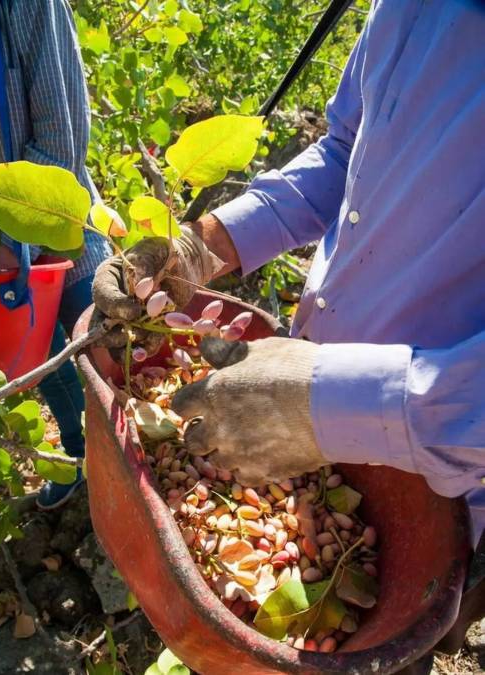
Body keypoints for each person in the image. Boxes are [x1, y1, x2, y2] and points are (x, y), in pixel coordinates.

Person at [93, 1, 484, 670]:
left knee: (370, 634)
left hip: (439, 489)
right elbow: (345, 154)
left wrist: (322, 404)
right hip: (299, 404)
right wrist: (202, 246)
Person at [0, 0, 111, 508]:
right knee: (42, 363)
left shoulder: (27, 6)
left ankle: (131, 491)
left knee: (104, 363)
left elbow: (62, 139)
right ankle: (79, 461)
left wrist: (11, 243)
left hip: (62, 230)